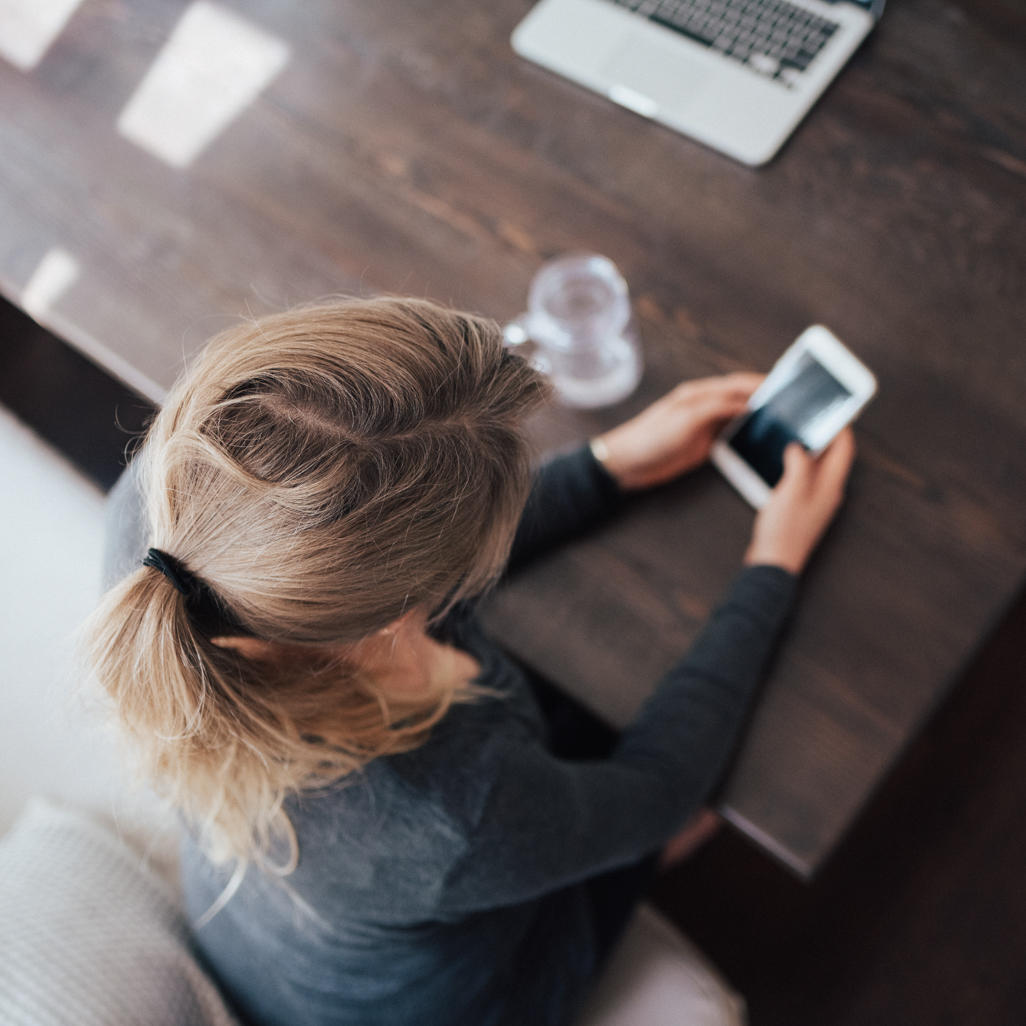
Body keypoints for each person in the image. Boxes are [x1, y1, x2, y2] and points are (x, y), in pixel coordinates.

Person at [86, 297, 854, 1026]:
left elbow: (348, 530)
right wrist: (774, 562)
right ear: (405, 608)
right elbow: (656, 791)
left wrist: (607, 465)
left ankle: (569, 844)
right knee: (682, 794)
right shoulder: (456, 815)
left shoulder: (159, 521)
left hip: (285, 940)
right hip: (457, 997)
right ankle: (601, 865)